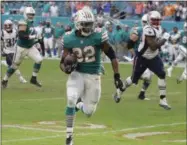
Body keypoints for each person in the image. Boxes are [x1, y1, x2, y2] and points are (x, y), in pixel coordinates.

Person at [59, 7, 123, 145]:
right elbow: (62, 63)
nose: (89, 27)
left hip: (93, 75)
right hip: (77, 74)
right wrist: (66, 68)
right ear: (78, 23)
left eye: (90, 23)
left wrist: (117, 76)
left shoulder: (98, 36)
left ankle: (80, 104)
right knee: (70, 99)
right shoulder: (69, 38)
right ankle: (69, 137)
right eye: (85, 24)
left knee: (89, 112)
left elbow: (112, 55)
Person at [114, 11, 171, 110]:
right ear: (149, 20)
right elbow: (153, 46)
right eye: (154, 20)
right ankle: (119, 90)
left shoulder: (158, 28)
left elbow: (156, 46)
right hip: (142, 57)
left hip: (153, 57)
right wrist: (165, 39)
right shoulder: (147, 29)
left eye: (158, 20)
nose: (156, 22)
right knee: (133, 79)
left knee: (162, 74)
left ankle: (163, 100)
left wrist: (162, 46)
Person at [1, 7, 43, 88]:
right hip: (21, 48)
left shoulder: (31, 22)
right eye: (29, 14)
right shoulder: (23, 22)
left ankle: (33, 78)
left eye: (32, 15)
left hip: (30, 47)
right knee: (15, 66)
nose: (31, 16)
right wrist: (35, 36)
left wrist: (38, 40)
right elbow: (21, 35)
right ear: (25, 14)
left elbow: (31, 36)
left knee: (39, 60)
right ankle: (4, 80)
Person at [122, 14, 152, 100]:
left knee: (149, 78)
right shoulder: (139, 30)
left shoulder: (151, 31)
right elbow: (129, 44)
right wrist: (134, 54)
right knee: (137, 77)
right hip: (140, 58)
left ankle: (141, 94)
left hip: (148, 57)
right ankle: (121, 89)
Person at [1, 19, 27, 83]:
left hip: (15, 50)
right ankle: (20, 78)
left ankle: (5, 64)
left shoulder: (15, 31)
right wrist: (1, 50)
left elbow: (20, 39)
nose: (8, 27)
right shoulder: (2, 33)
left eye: (9, 25)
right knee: (14, 65)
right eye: (6, 26)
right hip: (7, 51)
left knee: (12, 66)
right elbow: (1, 42)